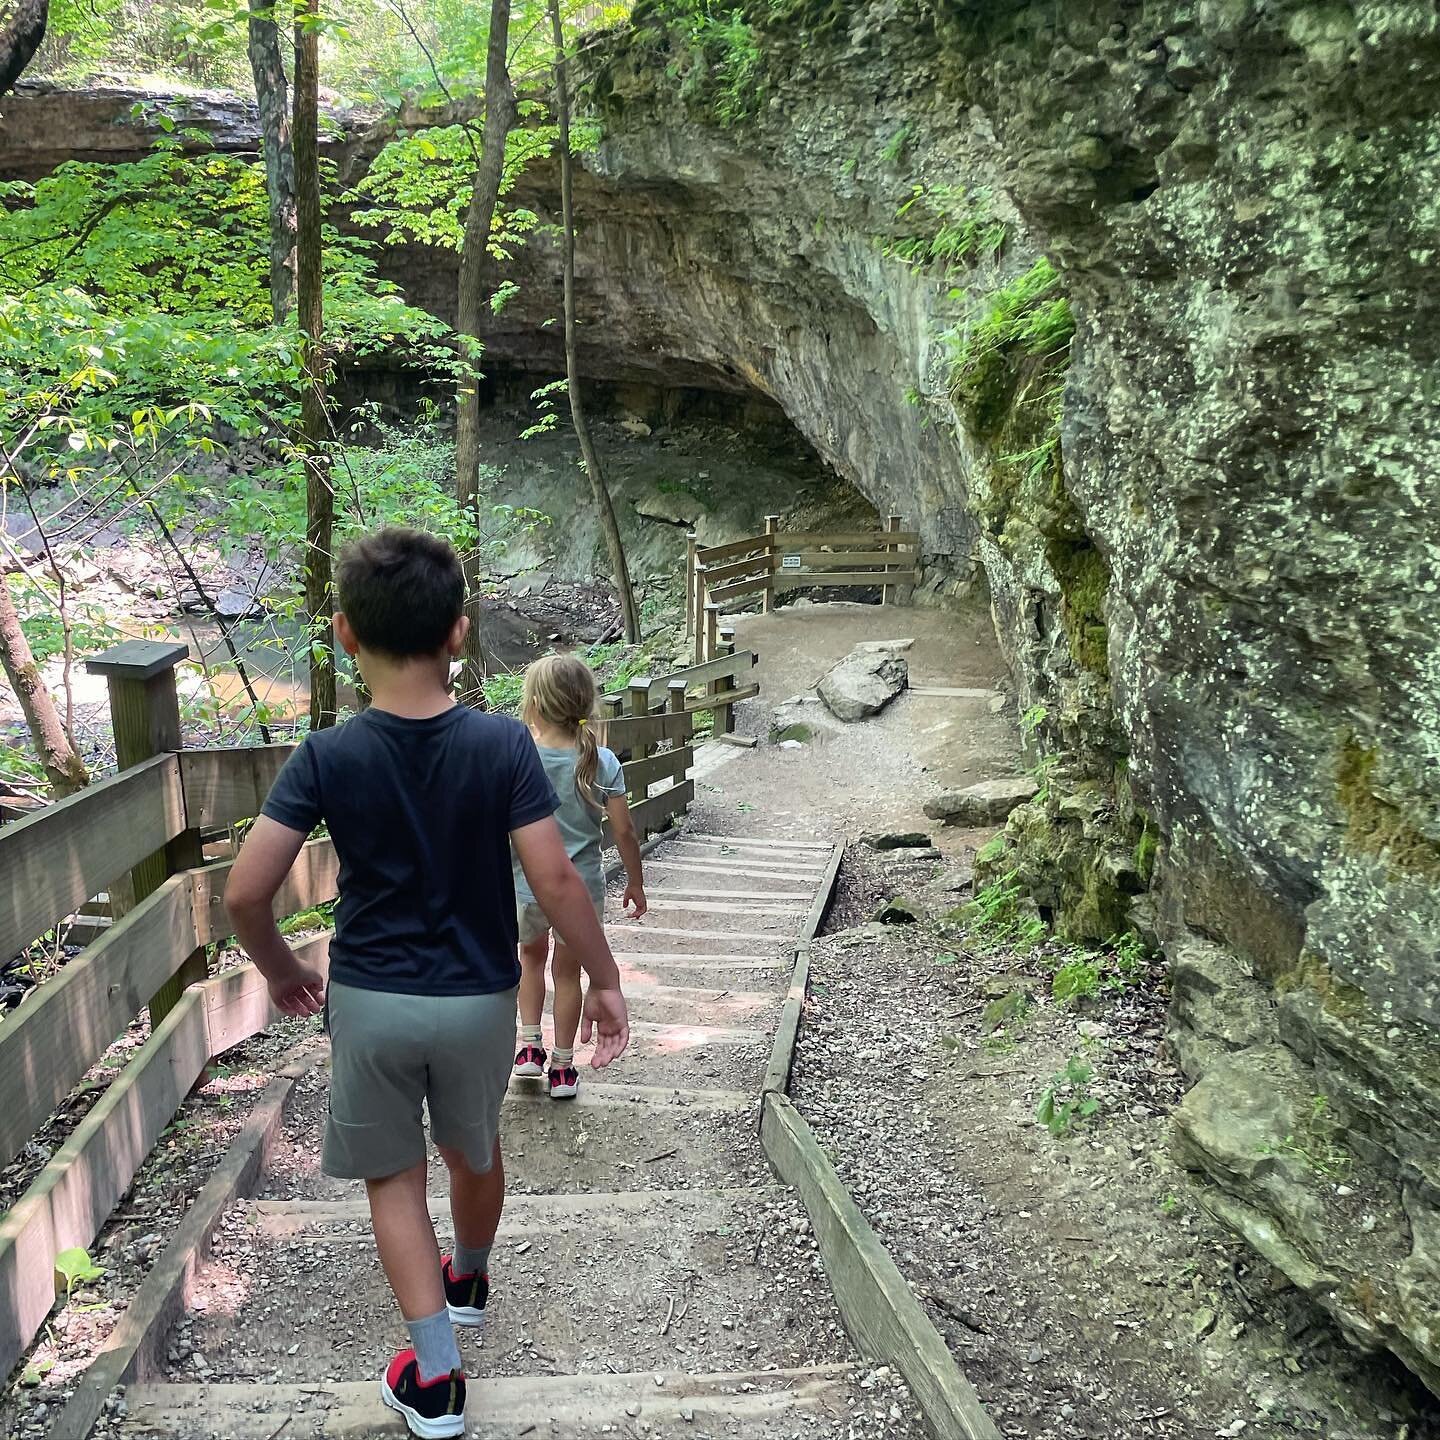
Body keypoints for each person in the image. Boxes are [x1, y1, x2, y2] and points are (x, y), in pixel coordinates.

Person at [223, 528, 629, 1440]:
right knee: (473, 1148)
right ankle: (471, 1277)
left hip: (370, 997)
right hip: (481, 996)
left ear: (342, 634)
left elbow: (246, 891)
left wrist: (283, 968)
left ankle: (437, 1376)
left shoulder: (326, 757)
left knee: (394, 1181)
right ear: (459, 633)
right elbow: (556, 879)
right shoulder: (501, 747)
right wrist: (603, 980)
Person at [512, 654, 647, 1099]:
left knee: (530, 961)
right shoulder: (601, 760)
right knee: (567, 974)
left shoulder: (521, 755)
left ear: (533, 703)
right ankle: (563, 1068)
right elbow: (624, 830)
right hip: (583, 891)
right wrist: (635, 881)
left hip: (526, 885)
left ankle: (529, 1047)